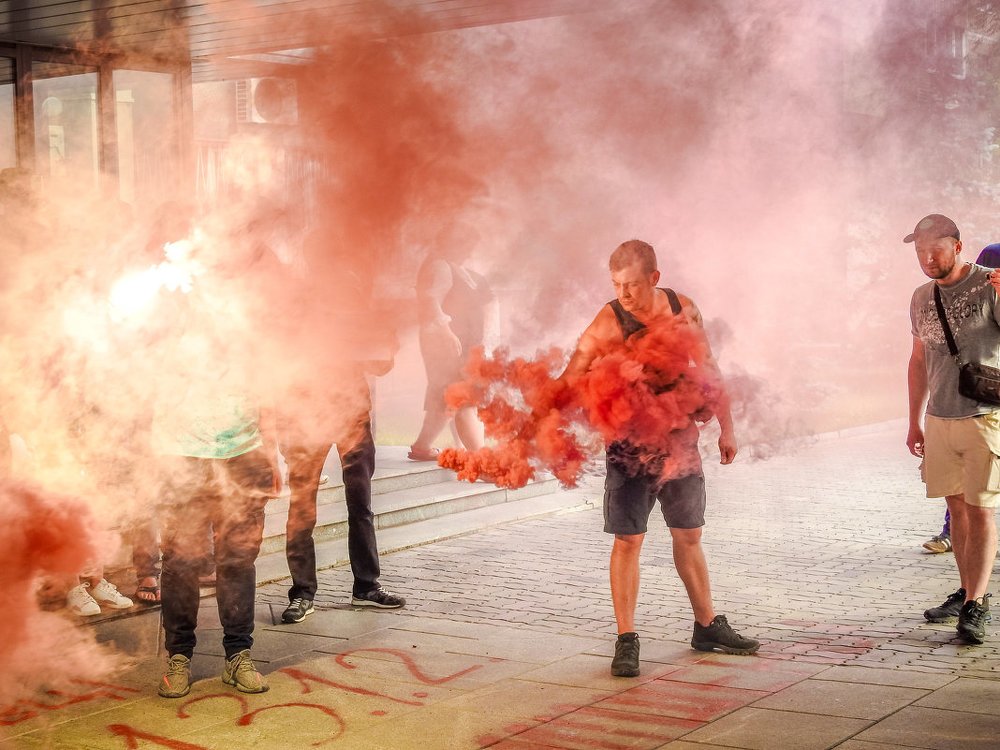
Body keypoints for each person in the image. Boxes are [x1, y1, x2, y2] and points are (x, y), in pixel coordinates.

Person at [561, 239, 759, 678]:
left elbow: (709, 368)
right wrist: (554, 419)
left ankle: (707, 626)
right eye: (616, 284)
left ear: (654, 277)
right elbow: (571, 377)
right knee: (628, 539)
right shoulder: (609, 319)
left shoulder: (682, 308)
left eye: (632, 284)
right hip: (629, 446)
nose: (624, 293)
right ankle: (626, 639)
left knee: (689, 533)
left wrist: (727, 426)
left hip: (679, 440)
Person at [152, 221, 282, 698]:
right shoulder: (169, 307)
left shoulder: (254, 320)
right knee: (181, 562)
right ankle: (179, 655)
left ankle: (237, 655)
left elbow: (269, 389)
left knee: (238, 560)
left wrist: (272, 452)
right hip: (181, 452)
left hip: (243, 452)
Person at [277, 231, 405, 624]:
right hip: (305, 415)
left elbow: (380, 362)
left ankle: (365, 586)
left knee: (360, 502)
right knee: (303, 507)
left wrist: (387, 343)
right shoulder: (294, 303)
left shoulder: (357, 301)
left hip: (351, 413)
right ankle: (303, 592)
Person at [906, 213, 1000, 645]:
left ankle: (977, 604)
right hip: (940, 418)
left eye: (935, 249)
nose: (927, 257)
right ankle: (966, 592)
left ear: (957, 247)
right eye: (920, 250)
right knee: (957, 510)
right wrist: (913, 420)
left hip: (984, 416)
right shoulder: (921, 297)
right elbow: (918, 360)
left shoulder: (989, 284)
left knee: (980, 509)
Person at [409, 225, 496, 461]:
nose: (469, 251)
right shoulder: (440, 266)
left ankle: (422, 446)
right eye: (466, 245)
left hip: (458, 342)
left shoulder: (458, 269)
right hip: (447, 344)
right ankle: (481, 459)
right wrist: (446, 331)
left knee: (445, 395)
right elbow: (431, 300)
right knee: (462, 396)